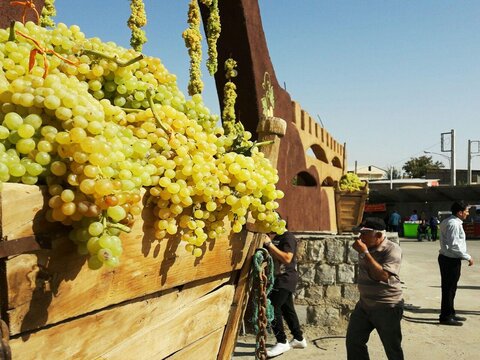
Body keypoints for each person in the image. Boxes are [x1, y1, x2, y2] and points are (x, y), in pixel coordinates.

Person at [346, 217, 404, 360]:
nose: (360, 237)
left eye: (364, 234)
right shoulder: (366, 246)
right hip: (364, 305)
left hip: (387, 306)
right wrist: (365, 252)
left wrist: (365, 253)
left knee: (392, 348)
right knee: (354, 342)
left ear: (378, 235)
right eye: (360, 233)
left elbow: (383, 276)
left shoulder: (392, 249)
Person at [263, 230, 307, 358]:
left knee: (272, 308)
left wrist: (269, 244)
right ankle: (299, 339)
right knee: (287, 309)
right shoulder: (278, 237)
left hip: (284, 279)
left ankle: (282, 341)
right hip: (280, 279)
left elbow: (287, 258)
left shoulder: (287, 237)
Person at [438, 201, 474, 326]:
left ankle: (450, 313)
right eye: (466, 211)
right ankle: (446, 317)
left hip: (449, 258)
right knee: (448, 289)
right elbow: (454, 245)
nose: (468, 214)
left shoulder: (449, 221)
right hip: (450, 259)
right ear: (460, 212)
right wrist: (467, 257)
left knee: (451, 288)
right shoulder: (453, 224)